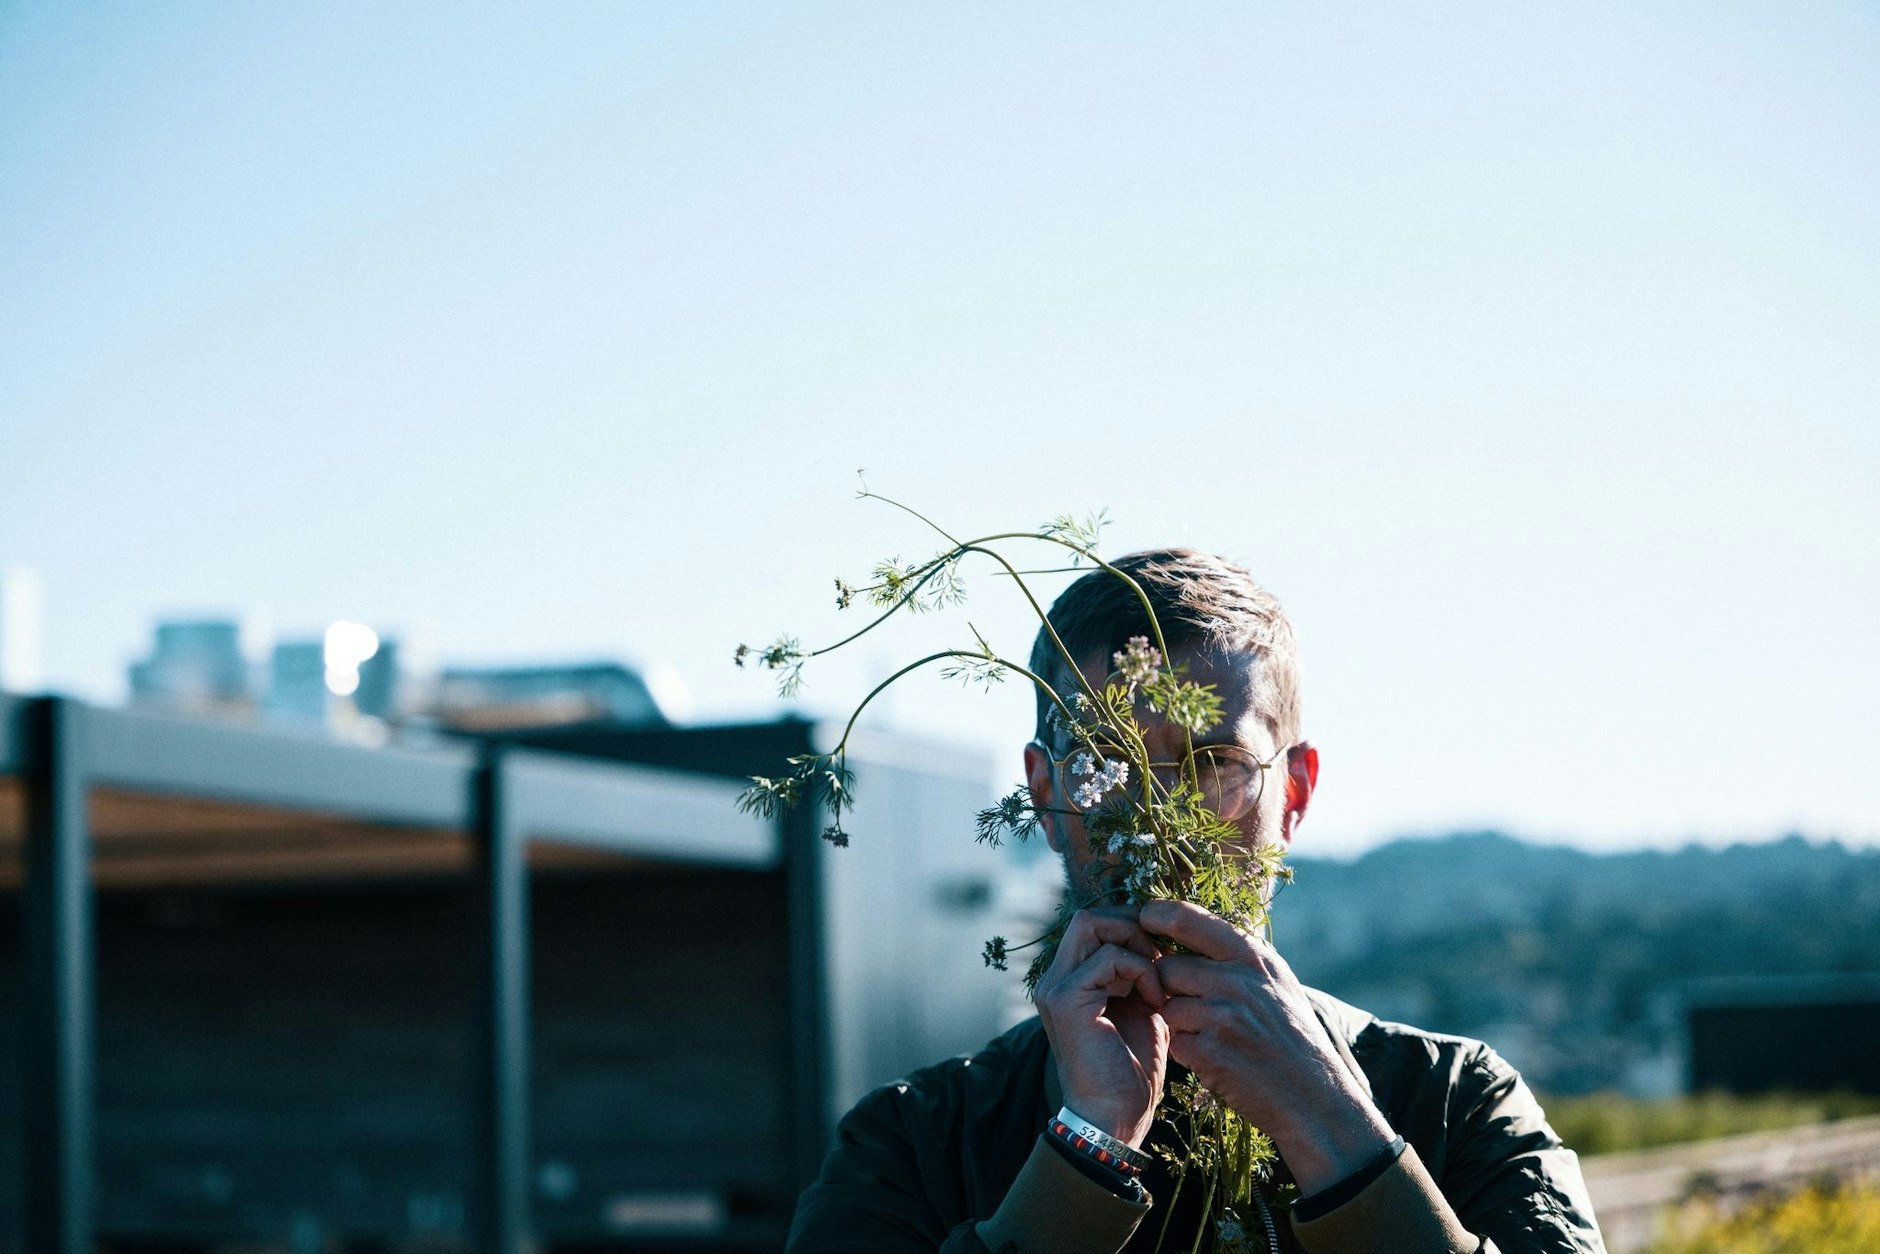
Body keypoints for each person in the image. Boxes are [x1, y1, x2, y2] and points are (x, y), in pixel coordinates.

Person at [787, 549, 1605, 1253]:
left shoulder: (1457, 1101)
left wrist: (1333, 1127)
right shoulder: (919, 1138)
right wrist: (1087, 1146)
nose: (1161, 816)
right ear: (1042, 790)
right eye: (1111, 763)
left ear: (1295, 789)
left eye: (1215, 762)